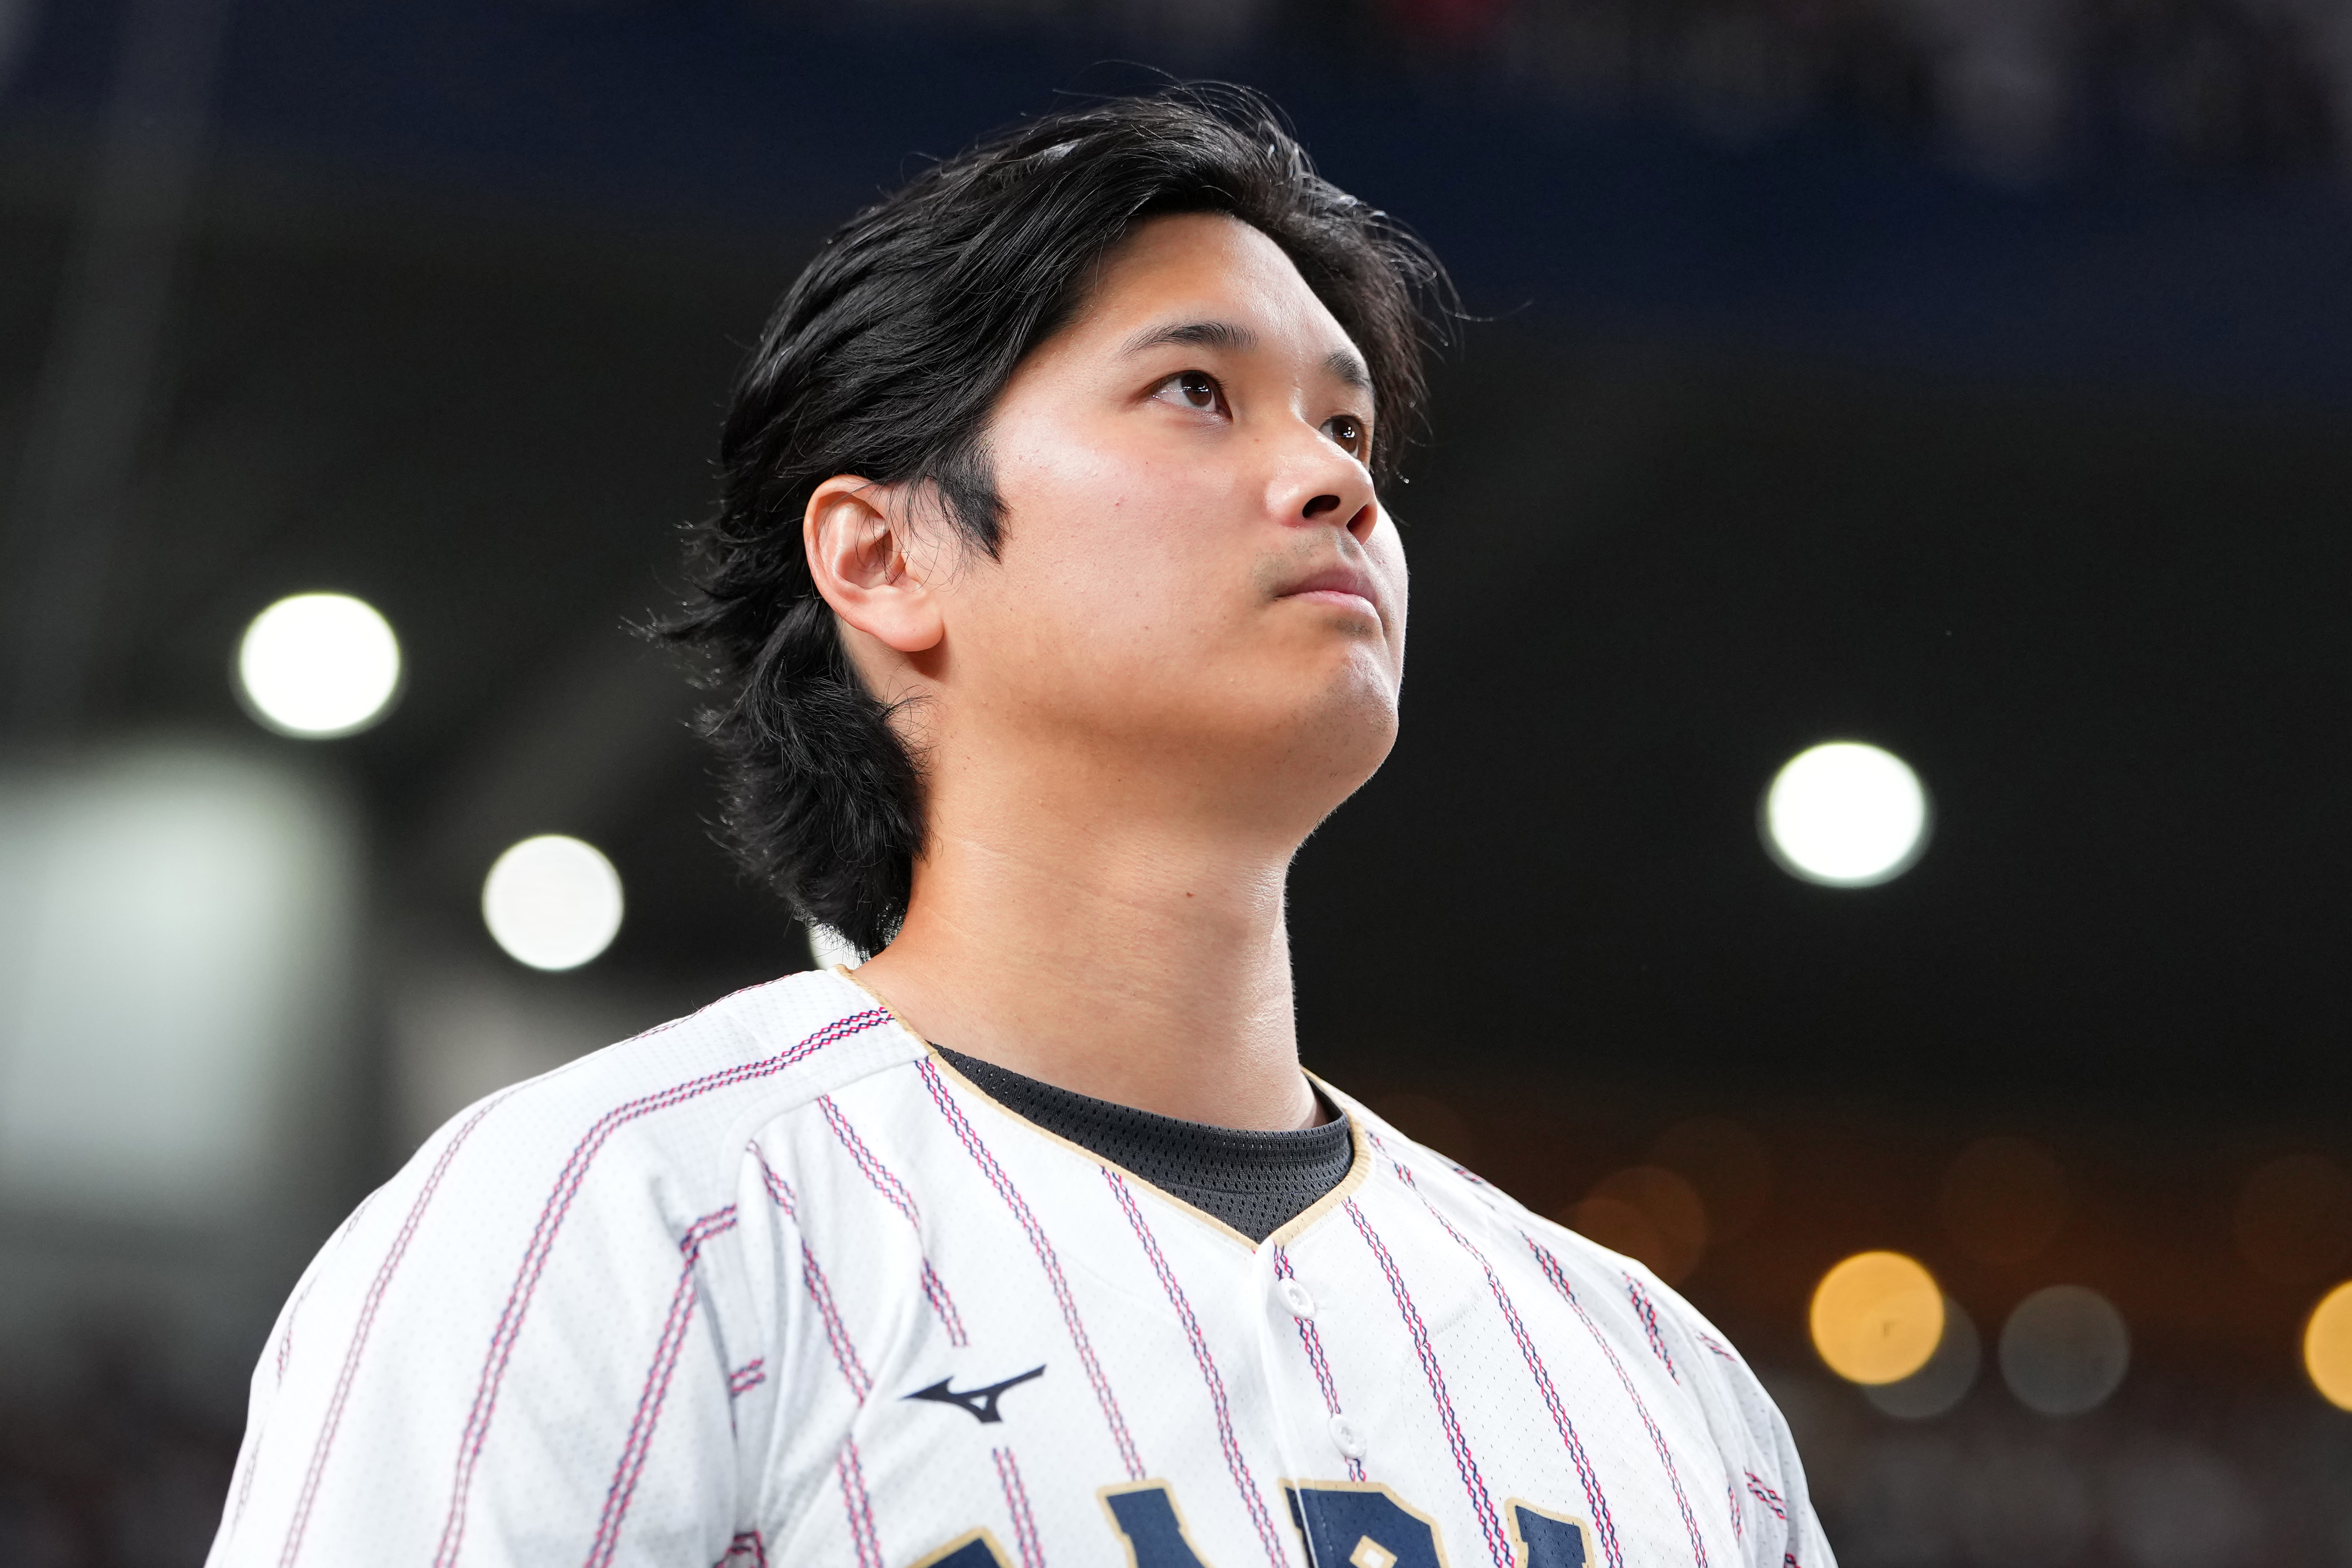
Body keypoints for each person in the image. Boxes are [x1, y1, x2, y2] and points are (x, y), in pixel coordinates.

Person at [208, 86, 1834, 1568]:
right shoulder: (626, 1217)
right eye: (1198, 391)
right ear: (883, 559)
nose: (1334, 483)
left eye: (1347, 429)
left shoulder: (1654, 1376)